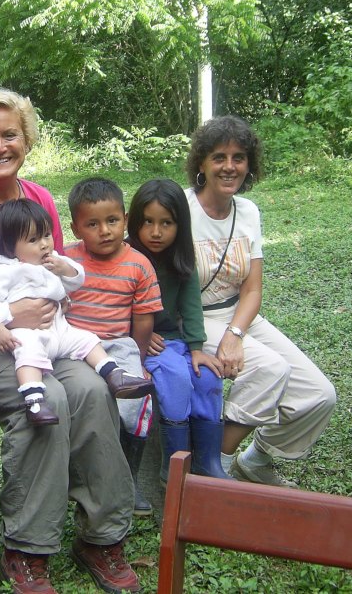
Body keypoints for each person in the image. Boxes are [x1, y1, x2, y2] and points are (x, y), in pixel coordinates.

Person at [0, 86, 141, 594]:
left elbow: (57, 270)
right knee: (44, 400)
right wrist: (9, 315)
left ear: (26, 139)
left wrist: (53, 309)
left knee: (92, 390)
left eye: (9, 134)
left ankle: (101, 536)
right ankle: (27, 547)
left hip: (48, 335)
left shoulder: (40, 199)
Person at [186, 115, 336, 488]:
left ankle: (255, 459)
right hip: (193, 317)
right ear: (202, 163)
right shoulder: (182, 209)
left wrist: (235, 333)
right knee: (269, 367)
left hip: (238, 314)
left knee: (319, 395)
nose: (229, 166)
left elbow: (253, 289)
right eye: (219, 157)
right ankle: (212, 465)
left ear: (249, 164)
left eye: (239, 157)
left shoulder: (249, 212)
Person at [0, 198, 154, 425]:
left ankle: (114, 374)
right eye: (33, 240)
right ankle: (34, 400)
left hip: (60, 329)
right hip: (29, 332)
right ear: (11, 248)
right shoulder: (5, 271)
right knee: (28, 353)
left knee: (87, 340)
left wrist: (65, 268)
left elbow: (75, 281)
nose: (44, 245)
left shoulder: (53, 262)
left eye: (46, 235)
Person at [63, 177, 162, 518]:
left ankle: (127, 477)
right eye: (92, 224)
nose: (104, 231)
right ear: (76, 228)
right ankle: (75, 476)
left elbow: (144, 321)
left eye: (112, 221)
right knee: (75, 402)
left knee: (136, 402)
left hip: (118, 346)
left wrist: (139, 360)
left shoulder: (138, 264)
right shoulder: (67, 260)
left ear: (125, 219)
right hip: (73, 344)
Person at [126, 178, 230, 482]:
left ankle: (208, 463)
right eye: (148, 221)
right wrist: (140, 334)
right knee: (176, 378)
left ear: (180, 224)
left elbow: (191, 304)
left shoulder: (181, 257)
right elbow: (116, 304)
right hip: (144, 342)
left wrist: (197, 348)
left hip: (175, 340)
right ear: (135, 221)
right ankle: (173, 468)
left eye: (166, 223)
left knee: (207, 377)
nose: (156, 232)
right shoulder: (126, 256)